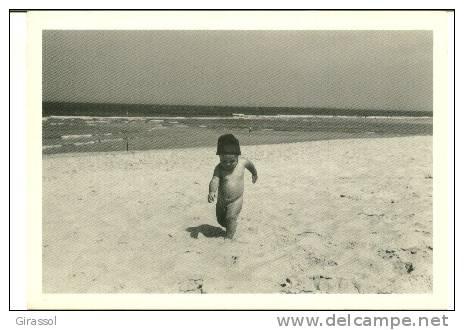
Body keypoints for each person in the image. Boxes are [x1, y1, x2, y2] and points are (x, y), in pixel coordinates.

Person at [208, 134, 258, 239]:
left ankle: (229, 236)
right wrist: (212, 191)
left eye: (232, 161)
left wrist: (254, 173)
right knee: (220, 220)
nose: (227, 164)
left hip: (236, 199)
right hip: (221, 201)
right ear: (219, 157)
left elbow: (251, 165)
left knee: (230, 217)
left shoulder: (243, 163)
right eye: (223, 161)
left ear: (237, 156)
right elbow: (214, 180)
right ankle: (231, 225)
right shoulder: (219, 169)